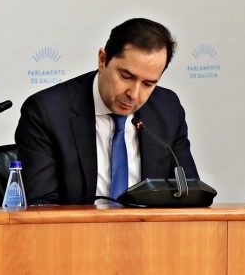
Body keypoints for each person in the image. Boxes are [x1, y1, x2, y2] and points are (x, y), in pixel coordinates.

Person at [15, 18, 199, 205]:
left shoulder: (168, 109)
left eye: (148, 83)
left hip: (147, 225)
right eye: (126, 76)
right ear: (102, 60)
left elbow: (189, 196)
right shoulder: (47, 112)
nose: (134, 94)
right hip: (78, 225)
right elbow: (41, 206)